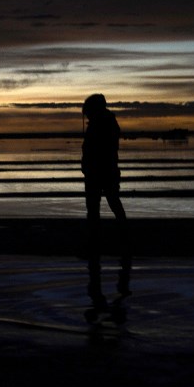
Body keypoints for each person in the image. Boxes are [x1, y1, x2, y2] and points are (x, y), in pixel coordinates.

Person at [82, 94, 131, 309]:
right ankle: (110, 237)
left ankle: (114, 237)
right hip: (102, 170)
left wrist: (89, 162)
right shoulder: (106, 123)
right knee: (102, 205)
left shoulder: (105, 124)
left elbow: (102, 148)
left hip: (102, 171)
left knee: (105, 204)